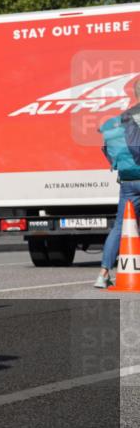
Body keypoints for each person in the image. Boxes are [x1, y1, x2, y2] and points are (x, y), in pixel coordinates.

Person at [95, 96, 140, 289]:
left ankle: (103, 274)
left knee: (120, 226)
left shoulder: (122, 118)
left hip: (127, 180)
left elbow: (106, 149)